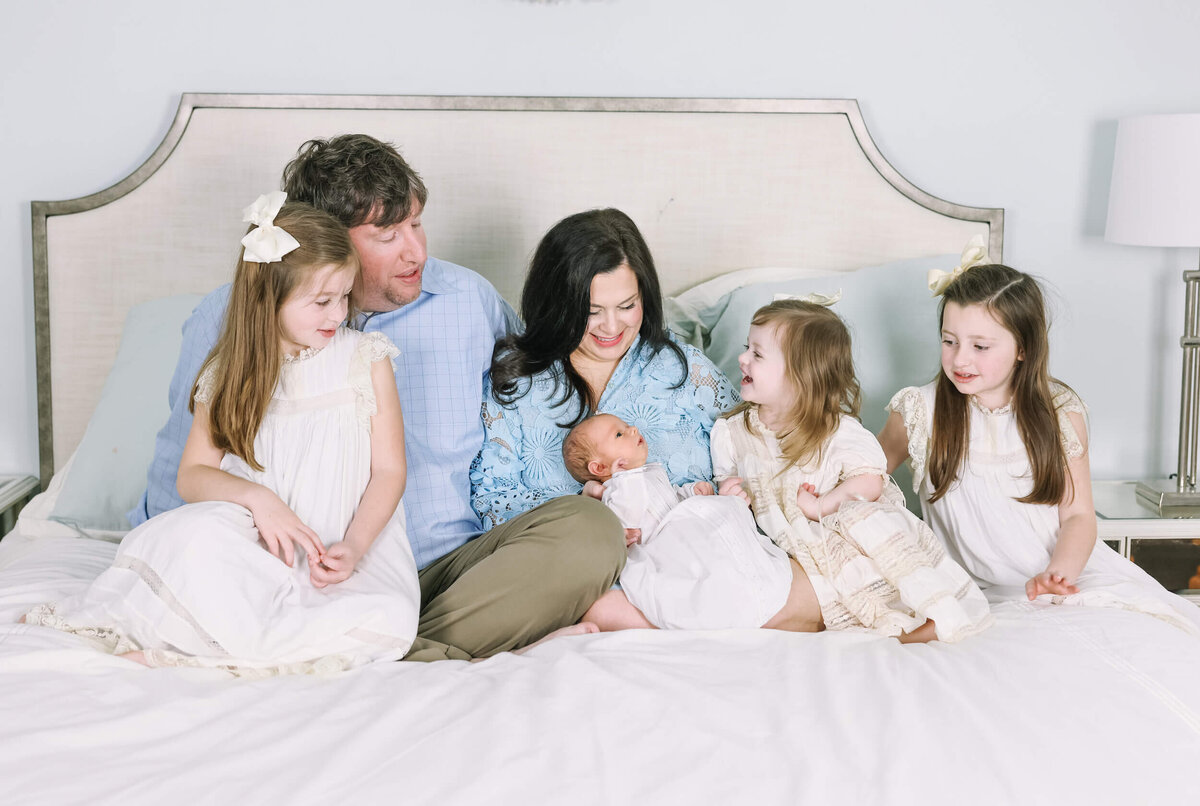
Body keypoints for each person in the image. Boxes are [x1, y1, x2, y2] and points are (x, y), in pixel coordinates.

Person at [130, 136, 623, 661]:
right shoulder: (232, 317)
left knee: (590, 533)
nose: (417, 251)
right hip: (283, 574)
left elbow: (544, 401)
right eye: (388, 234)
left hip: (445, 573)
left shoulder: (467, 299)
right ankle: (411, 651)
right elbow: (181, 479)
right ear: (322, 241)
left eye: (416, 223)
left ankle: (343, 651)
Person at [26, 197, 420, 673]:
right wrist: (261, 500)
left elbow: (389, 470)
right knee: (187, 538)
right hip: (254, 543)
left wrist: (355, 546)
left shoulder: (365, 358)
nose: (338, 315)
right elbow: (192, 477)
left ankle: (203, 654)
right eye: (321, 302)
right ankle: (205, 642)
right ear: (267, 300)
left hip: (338, 546)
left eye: (344, 297)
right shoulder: (230, 372)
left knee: (391, 616)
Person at [878, 259, 1200, 635]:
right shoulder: (920, 410)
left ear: (1023, 350)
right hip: (967, 590)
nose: (960, 358)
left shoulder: (1060, 413)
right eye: (949, 341)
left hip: (1061, 575)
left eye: (980, 346)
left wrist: (1058, 574)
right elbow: (863, 478)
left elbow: (1078, 516)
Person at [469, 208, 740, 626]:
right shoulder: (516, 384)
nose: (611, 326)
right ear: (558, 304)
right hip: (576, 590)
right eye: (592, 310)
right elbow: (491, 501)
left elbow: (756, 447)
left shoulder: (685, 371)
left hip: (705, 578)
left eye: (627, 305)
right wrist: (585, 515)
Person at [714, 299, 994, 643]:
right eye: (746, 348)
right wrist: (728, 493)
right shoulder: (733, 432)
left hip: (836, 527)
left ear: (802, 377)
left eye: (757, 354)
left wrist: (822, 506)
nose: (742, 359)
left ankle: (932, 610)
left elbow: (870, 482)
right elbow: (725, 478)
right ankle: (884, 619)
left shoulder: (836, 431)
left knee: (866, 523)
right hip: (783, 542)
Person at [563, 413, 800, 631]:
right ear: (599, 467)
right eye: (619, 434)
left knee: (717, 534)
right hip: (665, 548)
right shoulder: (615, 493)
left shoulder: (649, 473)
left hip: (683, 531)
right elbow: (630, 511)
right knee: (699, 569)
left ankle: (744, 582)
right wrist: (623, 478)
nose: (633, 429)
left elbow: (670, 499)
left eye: (626, 426)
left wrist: (691, 492)